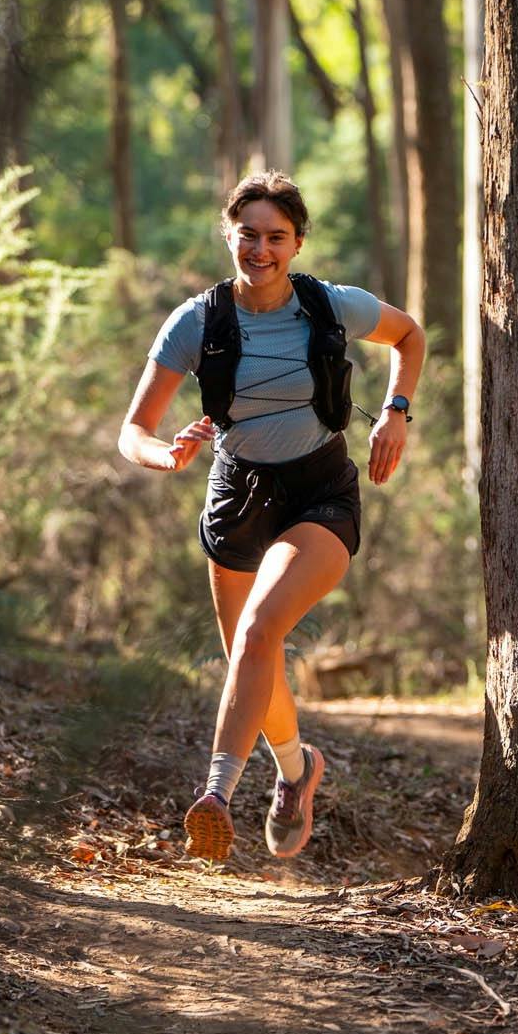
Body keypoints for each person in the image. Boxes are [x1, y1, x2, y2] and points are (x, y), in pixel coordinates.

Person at [117, 173, 426, 861]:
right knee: (251, 658)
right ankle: (297, 771)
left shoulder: (329, 304)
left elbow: (409, 336)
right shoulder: (196, 322)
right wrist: (163, 455)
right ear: (229, 235)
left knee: (259, 628)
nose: (261, 248)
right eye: (248, 234)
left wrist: (397, 414)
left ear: (297, 243)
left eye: (275, 237)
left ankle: (217, 794)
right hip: (236, 492)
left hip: (319, 489)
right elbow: (131, 429)